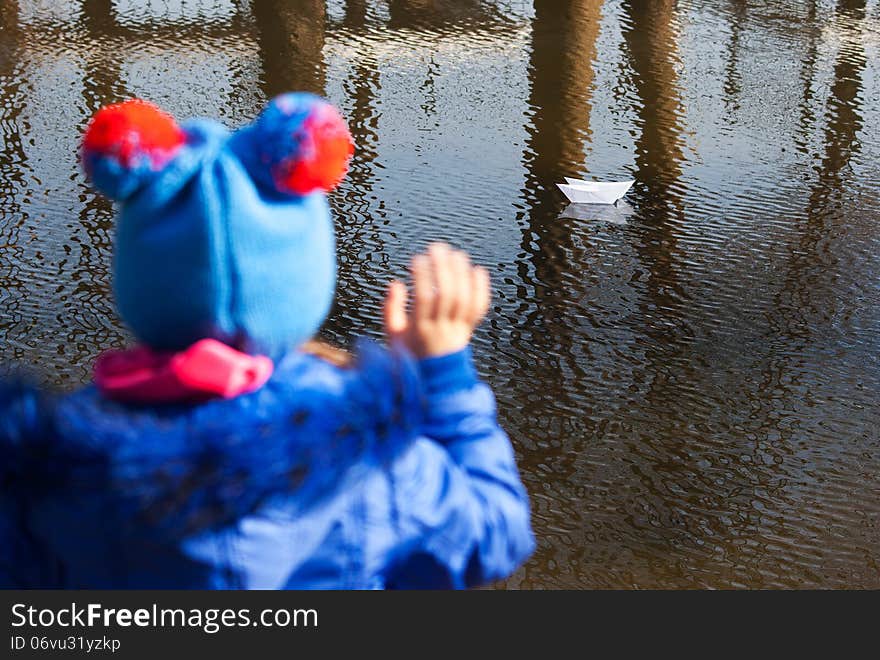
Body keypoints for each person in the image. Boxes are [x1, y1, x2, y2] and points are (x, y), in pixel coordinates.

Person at [0, 93, 534, 589]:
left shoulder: (53, 467)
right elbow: (497, 531)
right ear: (306, 284)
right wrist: (442, 376)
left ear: (138, 286)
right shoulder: (369, 461)